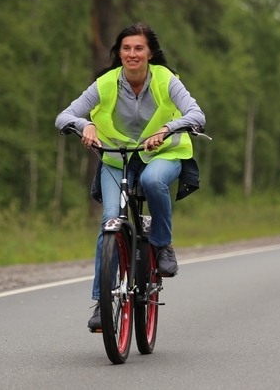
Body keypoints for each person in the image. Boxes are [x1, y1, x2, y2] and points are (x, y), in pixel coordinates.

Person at [55, 22, 205, 330]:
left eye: (139, 48)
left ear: (150, 53)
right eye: (126, 48)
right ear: (118, 52)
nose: (132, 54)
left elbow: (196, 114)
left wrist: (167, 130)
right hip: (117, 159)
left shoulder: (166, 80)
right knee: (110, 219)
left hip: (163, 155)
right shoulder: (107, 83)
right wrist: (85, 126)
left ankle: (163, 244)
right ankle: (102, 303)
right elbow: (64, 116)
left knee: (152, 181)